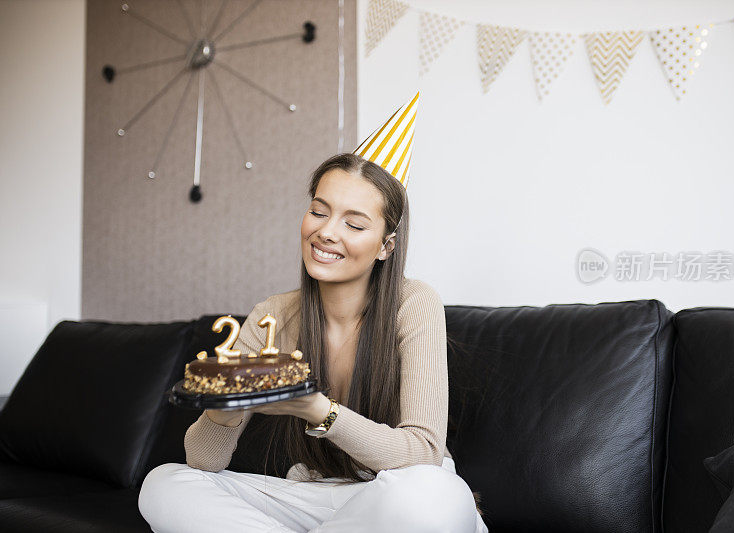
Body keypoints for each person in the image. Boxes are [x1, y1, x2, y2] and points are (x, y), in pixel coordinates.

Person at [138, 93, 489, 533]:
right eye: (318, 212)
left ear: (386, 246)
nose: (326, 231)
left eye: (354, 224)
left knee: (433, 496)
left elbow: (422, 453)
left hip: (394, 498)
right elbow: (205, 460)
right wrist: (224, 407)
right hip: (313, 497)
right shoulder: (273, 317)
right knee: (166, 483)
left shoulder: (414, 303)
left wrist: (317, 409)